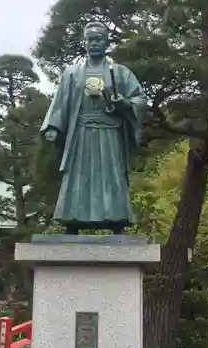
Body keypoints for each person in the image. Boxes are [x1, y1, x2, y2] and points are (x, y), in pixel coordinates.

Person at [41, 21, 147, 234]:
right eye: (90, 39)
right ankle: (72, 221)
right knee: (78, 177)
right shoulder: (72, 74)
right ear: (84, 42)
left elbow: (140, 99)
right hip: (81, 133)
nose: (94, 43)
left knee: (112, 176)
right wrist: (54, 127)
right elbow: (60, 102)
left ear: (107, 42)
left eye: (99, 39)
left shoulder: (120, 73)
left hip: (110, 133)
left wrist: (124, 104)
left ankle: (118, 221)